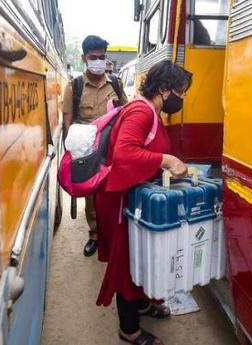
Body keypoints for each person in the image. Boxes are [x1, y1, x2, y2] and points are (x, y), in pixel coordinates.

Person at [94, 60, 192, 345]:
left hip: (133, 198)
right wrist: (168, 160)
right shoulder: (140, 111)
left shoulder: (151, 111)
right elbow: (125, 155)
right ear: (163, 89)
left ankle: (142, 305)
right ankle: (129, 329)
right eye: (180, 91)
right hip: (120, 201)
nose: (181, 98)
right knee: (127, 263)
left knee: (141, 255)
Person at [62, 35, 128, 257]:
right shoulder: (75, 86)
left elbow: (126, 113)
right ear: (84, 58)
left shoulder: (116, 84)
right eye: (94, 57)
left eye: (102, 57)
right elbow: (68, 121)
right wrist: (71, 153)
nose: (98, 61)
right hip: (88, 150)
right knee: (92, 194)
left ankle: (113, 233)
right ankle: (94, 235)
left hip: (112, 148)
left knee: (112, 191)